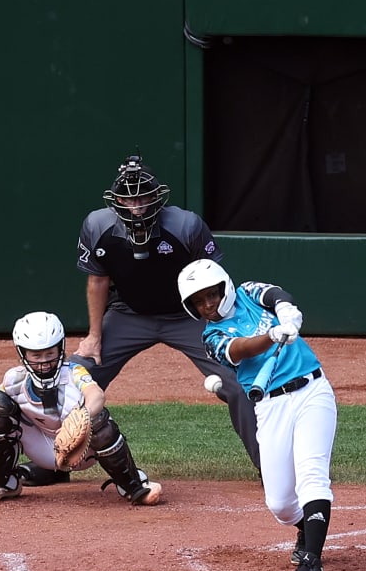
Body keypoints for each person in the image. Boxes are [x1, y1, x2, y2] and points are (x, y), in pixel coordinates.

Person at [75, 154, 261, 469]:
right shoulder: (97, 225)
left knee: (238, 379)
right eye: (128, 198)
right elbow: (97, 281)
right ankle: (53, 463)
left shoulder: (186, 225)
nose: (136, 206)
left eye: (143, 196)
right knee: (73, 375)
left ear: (157, 195)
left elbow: (215, 279)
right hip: (128, 314)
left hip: (187, 316)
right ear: (115, 199)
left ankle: (270, 465)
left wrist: (227, 328)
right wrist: (94, 337)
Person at [178, 258, 333, 571]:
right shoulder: (211, 336)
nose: (207, 305)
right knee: (280, 503)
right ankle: (306, 528)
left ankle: (312, 567)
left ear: (224, 287)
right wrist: (271, 335)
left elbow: (275, 293)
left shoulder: (248, 291)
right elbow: (238, 349)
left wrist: (287, 310)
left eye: (211, 295)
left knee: (311, 474)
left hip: (312, 391)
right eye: (198, 302)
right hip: (270, 405)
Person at [0, 311, 162, 505]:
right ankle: (3, 482)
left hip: (81, 450)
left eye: (50, 353)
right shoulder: (16, 378)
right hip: (41, 447)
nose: (44, 361)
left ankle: (131, 484)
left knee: (99, 419)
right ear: (23, 354)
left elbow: (95, 394)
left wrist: (81, 417)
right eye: (36, 355)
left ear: (60, 349)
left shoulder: (74, 372)